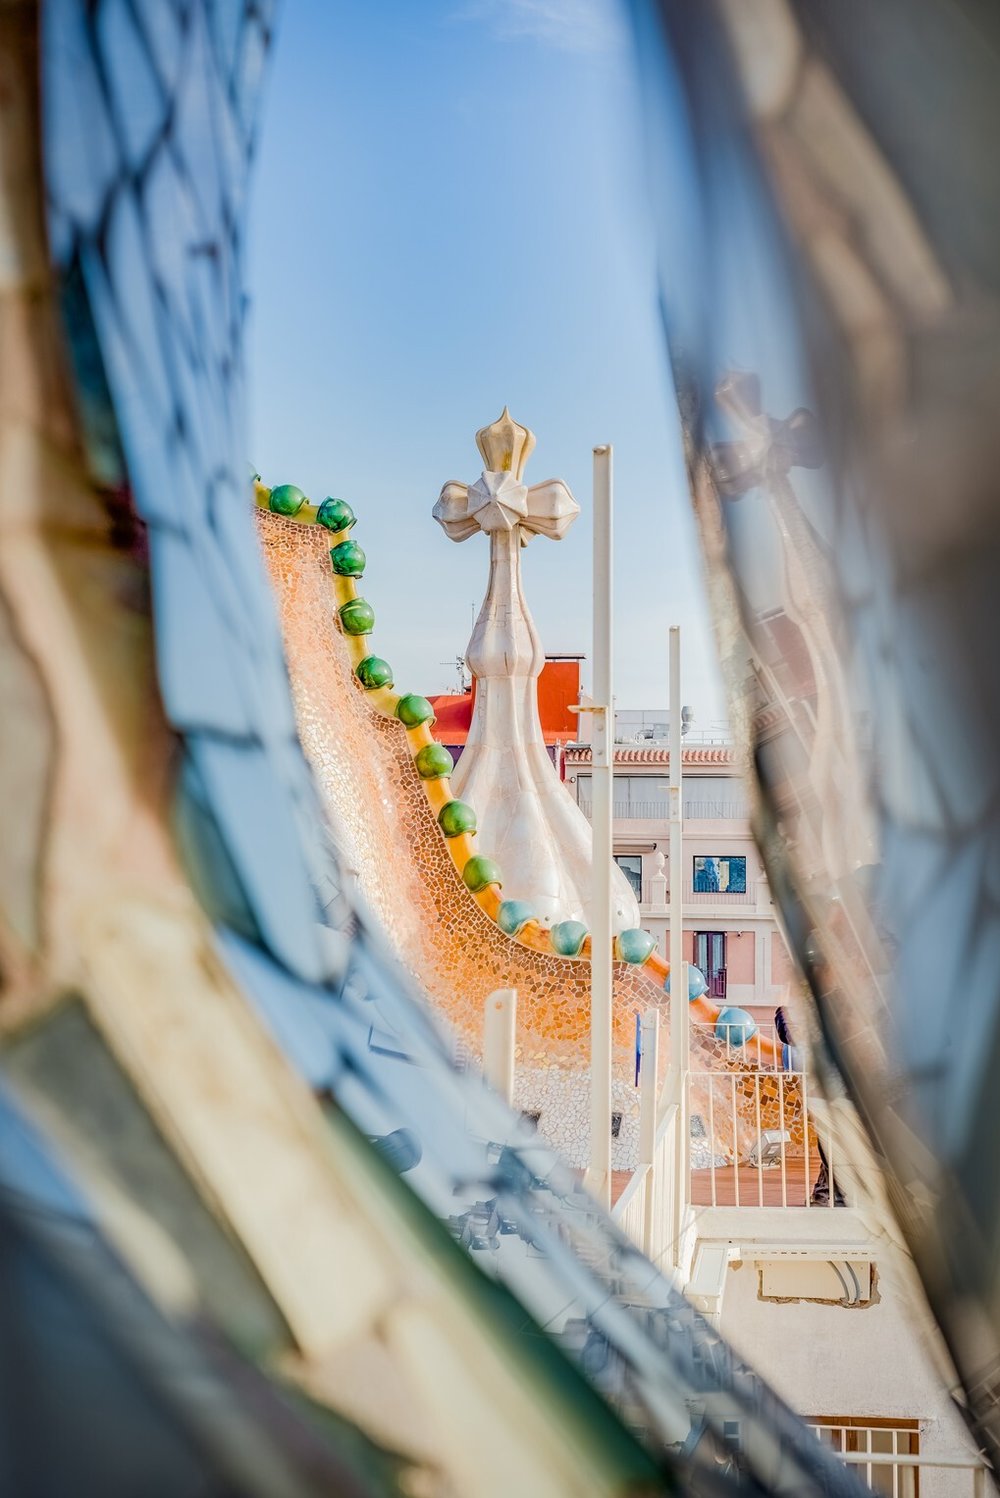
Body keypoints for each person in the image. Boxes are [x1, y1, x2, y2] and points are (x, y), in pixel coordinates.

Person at [774, 1005, 845, 1206]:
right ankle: (827, 1195)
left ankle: (829, 1196)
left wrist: (782, 1013)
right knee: (831, 1147)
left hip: (832, 1093)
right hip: (835, 1092)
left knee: (831, 1146)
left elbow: (792, 1036)